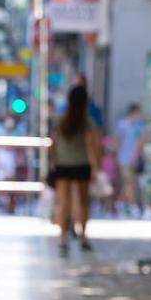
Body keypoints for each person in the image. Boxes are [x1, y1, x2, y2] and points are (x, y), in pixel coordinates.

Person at [49, 84, 102, 254]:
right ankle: (83, 237)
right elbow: (91, 146)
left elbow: (52, 144)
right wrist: (95, 168)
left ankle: (63, 238)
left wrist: (53, 161)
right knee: (83, 202)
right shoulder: (87, 121)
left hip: (63, 165)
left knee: (63, 203)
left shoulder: (61, 120)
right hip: (82, 165)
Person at [114, 103, 144, 217]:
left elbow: (141, 140)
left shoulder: (139, 125)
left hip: (135, 159)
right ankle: (132, 206)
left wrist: (137, 154)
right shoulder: (122, 125)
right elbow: (118, 141)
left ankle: (120, 203)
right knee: (129, 183)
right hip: (124, 158)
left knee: (130, 183)